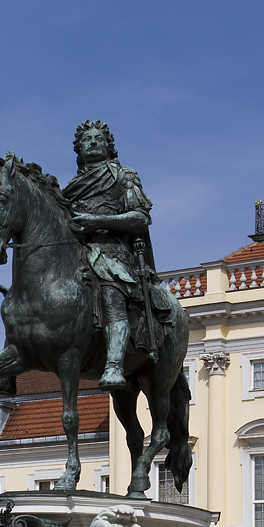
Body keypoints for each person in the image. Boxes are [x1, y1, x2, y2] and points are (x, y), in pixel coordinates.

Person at [63, 119, 172, 391]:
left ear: (108, 145)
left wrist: (96, 220)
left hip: (113, 252)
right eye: (86, 141)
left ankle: (113, 364)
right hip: (77, 253)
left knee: (111, 290)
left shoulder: (124, 175)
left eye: (97, 139)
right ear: (78, 150)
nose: (92, 143)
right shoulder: (71, 187)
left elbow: (140, 217)